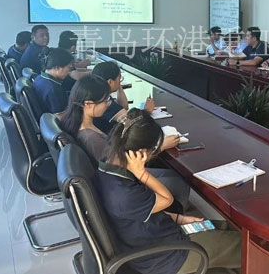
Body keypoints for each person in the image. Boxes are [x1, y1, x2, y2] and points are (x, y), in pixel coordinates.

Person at [93, 108, 241, 274]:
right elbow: (167, 199)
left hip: (161, 236)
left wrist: (179, 218)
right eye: (153, 150)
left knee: (227, 228)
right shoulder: (123, 193)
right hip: (168, 256)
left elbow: (140, 213)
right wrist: (141, 172)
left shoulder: (107, 170)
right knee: (243, 247)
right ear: (140, 153)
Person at [61, 77, 190, 209]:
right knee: (179, 183)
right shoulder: (91, 139)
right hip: (123, 182)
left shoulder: (77, 123)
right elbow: (126, 165)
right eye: (105, 101)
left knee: (171, 175)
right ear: (88, 104)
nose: (107, 104)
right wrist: (160, 146)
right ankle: (174, 213)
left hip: (116, 179)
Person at [91, 61, 155, 133]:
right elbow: (133, 123)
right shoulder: (105, 103)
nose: (120, 81)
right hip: (112, 137)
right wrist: (147, 111)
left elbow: (123, 107)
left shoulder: (98, 94)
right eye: (119, 78)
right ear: (110, 82)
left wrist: (118, 85)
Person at [32, 47, 73, 114]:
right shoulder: (53, 90)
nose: (69, 71)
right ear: (57, 68)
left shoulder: (39, 78)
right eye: (69, 68)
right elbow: (59, 116)